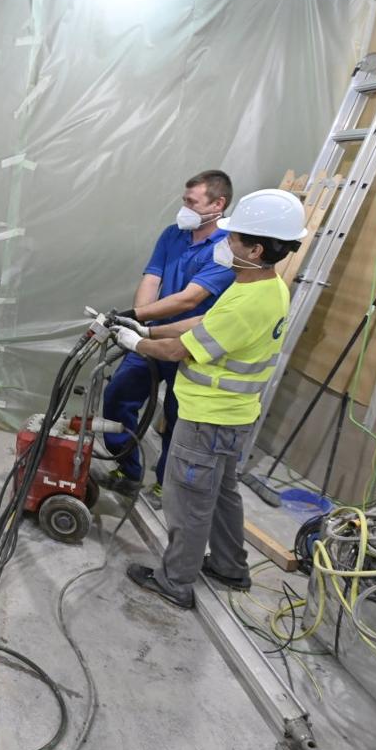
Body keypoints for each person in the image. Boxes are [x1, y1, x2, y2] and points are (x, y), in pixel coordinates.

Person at [109, 189, 306, 610]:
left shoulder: (247, 302)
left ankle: (175, 581)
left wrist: (135, 344)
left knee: (188, 503)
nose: (225, 244)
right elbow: (202, 321)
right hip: (234, 418)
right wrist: (147, 330)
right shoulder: (264, 286)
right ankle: (232, 567)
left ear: (255, 248)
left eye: (233, 239)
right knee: (221, 494)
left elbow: (182, 351)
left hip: (207, 418)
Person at [102, 170, 237, 505]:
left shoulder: (227, 249)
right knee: (118, 396)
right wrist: (138, 319)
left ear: (217, 204)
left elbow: (190, 299)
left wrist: (138, 319)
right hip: (150, 337)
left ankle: (167, 485)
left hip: (189, 345)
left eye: (192, 202)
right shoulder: (173, 235)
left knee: (177, 420)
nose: (185, 208)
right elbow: (152, 276)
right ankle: (128, 470)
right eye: (184, 200)